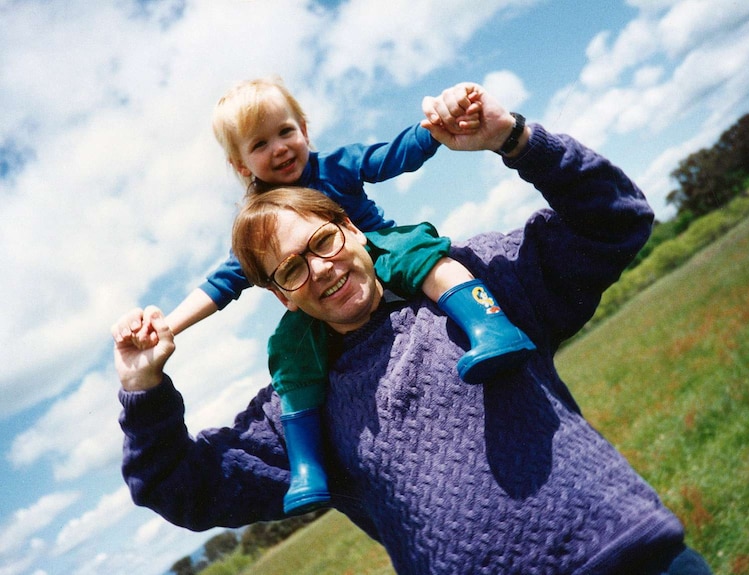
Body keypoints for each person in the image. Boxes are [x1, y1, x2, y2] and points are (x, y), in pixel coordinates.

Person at [113, 83, 712, 575]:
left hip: (635, 559)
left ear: (350, 227)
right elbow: (181, 486)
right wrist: (143, 387)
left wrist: (512, 138)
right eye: (292, 268)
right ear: (278, 295)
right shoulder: (304, 396)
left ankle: (488, 333)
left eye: (323, 241)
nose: (320, 269)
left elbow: (613, 223)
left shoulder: (483, 280)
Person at [154, 77, 535, 516]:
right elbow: (223, 283)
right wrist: (168, 326)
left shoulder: (336, 166)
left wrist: (434, 128)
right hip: (320, 298)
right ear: (242, 167)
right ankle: (307, 468)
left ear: (305, 130)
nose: (279, 147)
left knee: (420, 251)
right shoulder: (261, 224)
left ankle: (490, 328)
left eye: (285, 131)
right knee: (287, 348)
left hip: (378, 251)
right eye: (260, 144)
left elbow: (390, 157)